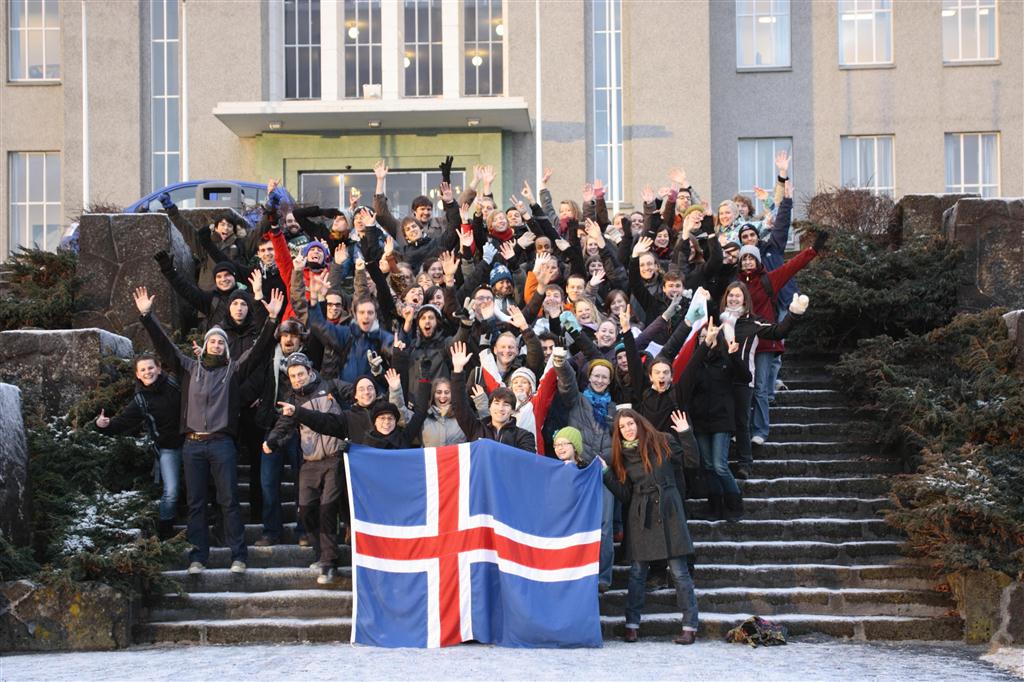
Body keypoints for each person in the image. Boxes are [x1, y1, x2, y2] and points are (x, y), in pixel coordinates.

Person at [134, 285, 284, 576]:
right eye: (212, 341)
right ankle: (197, 556)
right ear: (204, 346)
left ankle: (238, 555)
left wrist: (272, 320)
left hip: (221, 445)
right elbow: (165, 347)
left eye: (220, 342)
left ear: (226, 348)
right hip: (192, 445)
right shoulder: (189, 368)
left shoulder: (232, 371)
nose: (216, 345)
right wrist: (147, 316)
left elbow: (258, 350)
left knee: (229, 501)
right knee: (196, 503)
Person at [603, 408, 698, 644]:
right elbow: (625, 494)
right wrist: (606, 474)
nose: (628, 429)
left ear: (639, 422)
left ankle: (689, 625)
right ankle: (632, 624)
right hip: (640, 513)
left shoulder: (662, 440)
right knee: (637, 573)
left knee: (679, 571)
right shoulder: (621, 456)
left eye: (630, 423)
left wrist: (686, 433)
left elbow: (692, 461)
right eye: (622, 427)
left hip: (669, 510)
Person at [95, 353, 183, 540]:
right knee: (171, 490)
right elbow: (123, 421)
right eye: (143, 369)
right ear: (137, 374)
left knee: (201, 485)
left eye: (150, 368)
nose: (147, 372)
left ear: (159, 369)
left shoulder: (175, 385)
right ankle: (166, 532)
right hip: (167, 448)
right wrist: (104, 425)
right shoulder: (141, 400)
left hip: (192, 442)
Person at [449, 342, 536, 451]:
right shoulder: (476, 428)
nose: (500, 408)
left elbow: (526, 463)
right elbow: (459, 406)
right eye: (496, 403)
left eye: (506, 404)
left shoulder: (524, 436)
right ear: (489, 407)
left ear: (513, 411)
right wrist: (458, 370)